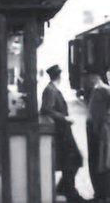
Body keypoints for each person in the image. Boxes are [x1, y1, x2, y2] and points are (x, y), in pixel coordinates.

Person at [41, 64, 88, 202]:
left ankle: (65, 188)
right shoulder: (51, 91)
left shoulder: (52, 89)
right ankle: (70, 192)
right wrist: (64, 118)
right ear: (59, 76)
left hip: (63, 131)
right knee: (74, 160)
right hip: (61, 132)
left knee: (72, 161)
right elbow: (46, 109)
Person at [86, 71, 110, 203]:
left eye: (89, 76)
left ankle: (105, 195)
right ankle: (101, 194)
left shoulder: (102, 88)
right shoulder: (97, 89)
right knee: (98, 162)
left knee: (103, 162)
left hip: (102, 130)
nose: (87, 79)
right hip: (97, 128)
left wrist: (109, 113)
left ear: (95, 77)